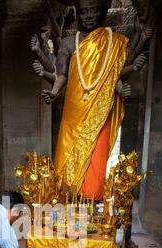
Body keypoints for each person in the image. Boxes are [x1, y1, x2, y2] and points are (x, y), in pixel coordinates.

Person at [42, 0, 128, 200]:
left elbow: (115, 76)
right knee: (67, 153)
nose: (88, 16)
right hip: (74, 109)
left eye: (93, 10)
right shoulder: (68, 42)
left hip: (100, 108)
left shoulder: (114, 41)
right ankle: (67, 200)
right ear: (78, 14)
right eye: (84, 11)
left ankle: (91, 202)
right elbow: (61, 75)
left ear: (102, 12)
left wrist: (123, 90)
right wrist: (54, 92)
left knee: (96, 156)